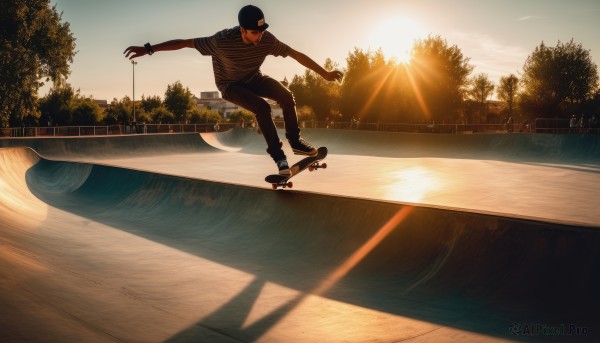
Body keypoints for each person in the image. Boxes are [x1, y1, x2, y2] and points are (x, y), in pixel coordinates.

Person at [124, 5, 343, 175]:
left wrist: (324, 74)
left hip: (255, 78)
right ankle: (279, 157)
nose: (258, 37)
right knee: (262, 107)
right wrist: (149, 48)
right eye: (253, 33)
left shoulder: (267, 40)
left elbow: (295, 54)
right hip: (230, 86)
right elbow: (185, 43)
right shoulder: (220, 41)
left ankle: (295, 142)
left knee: (286, 96)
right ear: (242, 30)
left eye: (260, 32)